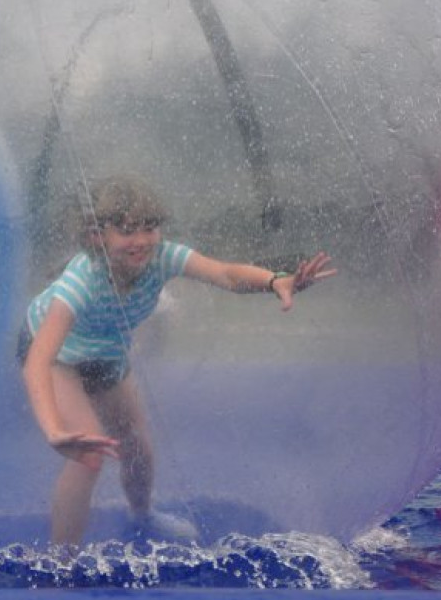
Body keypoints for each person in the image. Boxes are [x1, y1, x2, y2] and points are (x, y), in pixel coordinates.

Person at [20, 175, 336, 546]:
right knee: (88, 456)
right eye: (125, 231)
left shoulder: (164, 257)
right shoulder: (80, 283)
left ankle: (142, 515)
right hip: (57, 356)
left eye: (149, 227)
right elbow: (37, 361)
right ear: (97, 237)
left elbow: (225, 274)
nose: (141, 240)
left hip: (105, 351)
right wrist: (54, 429)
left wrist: (274, 280)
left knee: (137, 445)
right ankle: (61, 564)